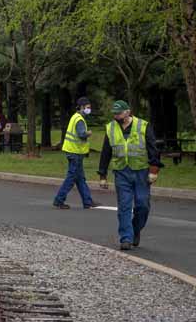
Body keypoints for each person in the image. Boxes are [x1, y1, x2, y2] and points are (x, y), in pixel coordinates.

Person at [97, 100, 163, 250]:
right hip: (121, 172)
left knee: (143, 205)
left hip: (141, 171)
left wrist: (154, 170)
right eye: (114, 113)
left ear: (127, 112)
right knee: (124, 206)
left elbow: (153, 148)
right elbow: (105, 152)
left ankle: (134, 230)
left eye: (118, 113)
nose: (116, 116)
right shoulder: (111, 128)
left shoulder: (143, 126)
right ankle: (126, 238)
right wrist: (102, 175)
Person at [53, 97, 98, 209]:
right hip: (75, 152)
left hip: (73, 151)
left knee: (80, 178)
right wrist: (88, 133)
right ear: (82, 107)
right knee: (71, 178)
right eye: (87, 107)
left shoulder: (75, 117)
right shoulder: (79, 120)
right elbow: (81, 134)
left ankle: (87, 202)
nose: (89, 110)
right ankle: (59, 200)